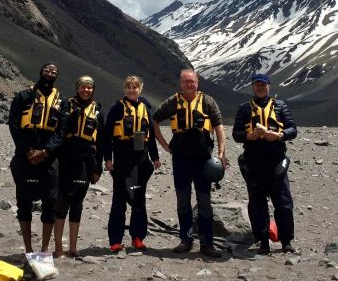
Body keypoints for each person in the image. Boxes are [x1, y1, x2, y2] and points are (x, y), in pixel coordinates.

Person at [153, 69, 227, 257]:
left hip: (203, 160)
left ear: (197, 83)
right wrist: (164, 146)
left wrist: (221, 153)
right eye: (185, 81)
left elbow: (218, 126)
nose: (189, 84)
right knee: (182, 201)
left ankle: (207, 243)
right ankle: (186, 240)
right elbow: (153, 120)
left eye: (192, 81)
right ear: (180, 83)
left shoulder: (208, 101)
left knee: (204, 202)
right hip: (181, 159)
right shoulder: (172, 102)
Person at [231, 73, 298, 254]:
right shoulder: (244, 108)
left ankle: (286, 241)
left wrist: (280, 135)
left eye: (263, 85)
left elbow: (293, 129)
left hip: (276, 161)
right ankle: (263, 242)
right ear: (253, 87)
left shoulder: (281, 106)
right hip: (253, 163)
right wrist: (248, 136)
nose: (260, 88)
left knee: (284, 203)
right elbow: (236, 134)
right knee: (257, 204)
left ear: (269, 86)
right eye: (257, 85)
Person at [8, 63, 66, 253]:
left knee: (50, 203)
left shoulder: (61, 102)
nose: (50, 73)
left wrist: (46, 152)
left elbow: (62, 131)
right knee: (23, 203)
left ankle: (43, 249)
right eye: (47, 70)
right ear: (40, 72)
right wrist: (27, 151)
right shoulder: (23, 96)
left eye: (54, 71)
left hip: (48, 160)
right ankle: (28, 249)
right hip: (25, 158)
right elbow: (14, 125)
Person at [103, 75, 161, 252]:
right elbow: (106, 136)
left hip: (141, 161)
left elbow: (150, 136)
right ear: (124, 89)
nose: (131, 90)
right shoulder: (117, 108)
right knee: (119, 201)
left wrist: (155, 157)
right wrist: (108, 158)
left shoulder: (146, 107)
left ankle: (137, 238)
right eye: (128, 87)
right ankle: (115, 241)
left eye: (134, 87)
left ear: (140, 88)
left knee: (139, 201)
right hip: (122, 161)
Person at [53, 75, 104, 258]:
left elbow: (102, 142)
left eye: (89, 87)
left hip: (85, 163)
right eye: (83, 86)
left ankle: (73, 247)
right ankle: (58, 248)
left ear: (93, 90)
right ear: (77, 88)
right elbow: (57, 132)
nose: (86, 90)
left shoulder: (97, 111)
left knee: (77, 204)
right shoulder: (66, 105)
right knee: (61, 203)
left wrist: (98, 168)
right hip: (66, 160)